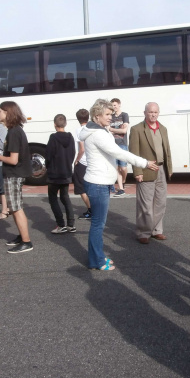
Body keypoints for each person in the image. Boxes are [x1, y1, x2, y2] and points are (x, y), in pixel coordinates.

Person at [79, 99, 158, 270]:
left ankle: (97, 258)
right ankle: (97, 261)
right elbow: (118, 152)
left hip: (101, 183)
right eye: (107, 114)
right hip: (98, 184)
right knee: (98, 224)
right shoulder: (98, 134)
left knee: (98, 224)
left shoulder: (99, 129)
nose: (111, 117)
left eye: (110, 113)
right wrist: (144, 163)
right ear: (97, 116)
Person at [0, 101, 33, 254]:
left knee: (16, 208)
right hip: (14, 174)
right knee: (14, 208)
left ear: (7, 113)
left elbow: (13, 160)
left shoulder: (13, 132)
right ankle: (22, 236)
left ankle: (26, 241)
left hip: (14, 174)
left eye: (0, 111)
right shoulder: (15, 130)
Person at [128, 102, 173, 244]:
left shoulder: (163, 129)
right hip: (146, 169)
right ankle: (143, 232)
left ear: (158, 113)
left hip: (161, 169)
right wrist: (137, 171)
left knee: (160, 202)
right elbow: (133, 153)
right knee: (145, 204)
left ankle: (156, 230)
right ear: (145, 113)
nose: (153, 114)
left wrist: (169, 169)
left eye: (155, 112)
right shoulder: (137, 129)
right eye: (150, 112)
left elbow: (167, 150)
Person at [46, 114, 76, 234]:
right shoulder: (70, 137)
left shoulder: (53, 137)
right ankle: (71, 224)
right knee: (65, 197)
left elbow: (48, 155)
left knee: (53, 198)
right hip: (66, 171)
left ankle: (60, 224)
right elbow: (73, 153)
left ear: (55, 124)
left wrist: (48, 167)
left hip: (54, 173)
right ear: (65, 123)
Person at [73, 109, 92, 220]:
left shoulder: (79, 130)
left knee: (81, 188)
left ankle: (90, 210)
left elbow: (82, 149)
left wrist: (77, 160)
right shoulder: (91, 128)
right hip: (92, 161)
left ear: (78, 118)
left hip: (83, 162)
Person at [109, 98, 129, 197]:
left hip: (122, 144)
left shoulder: (124, 115)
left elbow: (124, 131)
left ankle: (124, 180)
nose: (114, 107)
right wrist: (117, 130)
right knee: (116, 167)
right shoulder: (110, 117)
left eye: (115, 105)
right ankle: (121, 188)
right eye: (112, 105)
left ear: (119, 105)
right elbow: (108, 130)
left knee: (123, 167)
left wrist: (113, 130)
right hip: (113, 144)